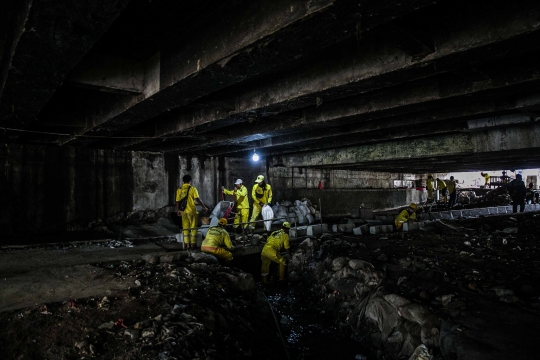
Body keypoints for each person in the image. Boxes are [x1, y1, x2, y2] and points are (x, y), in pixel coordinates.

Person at [176, 174, 209, 250]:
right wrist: (204, 207)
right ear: (190, 181)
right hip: (191, 211)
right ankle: (193, 244)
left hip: (183, 212)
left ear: (183, 181)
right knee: (193, 227)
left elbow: (177, 201)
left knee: (185, 228)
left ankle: (187, 244)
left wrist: (178, 210)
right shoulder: (192, 189)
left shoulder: (179, 189)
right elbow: (198, 199)